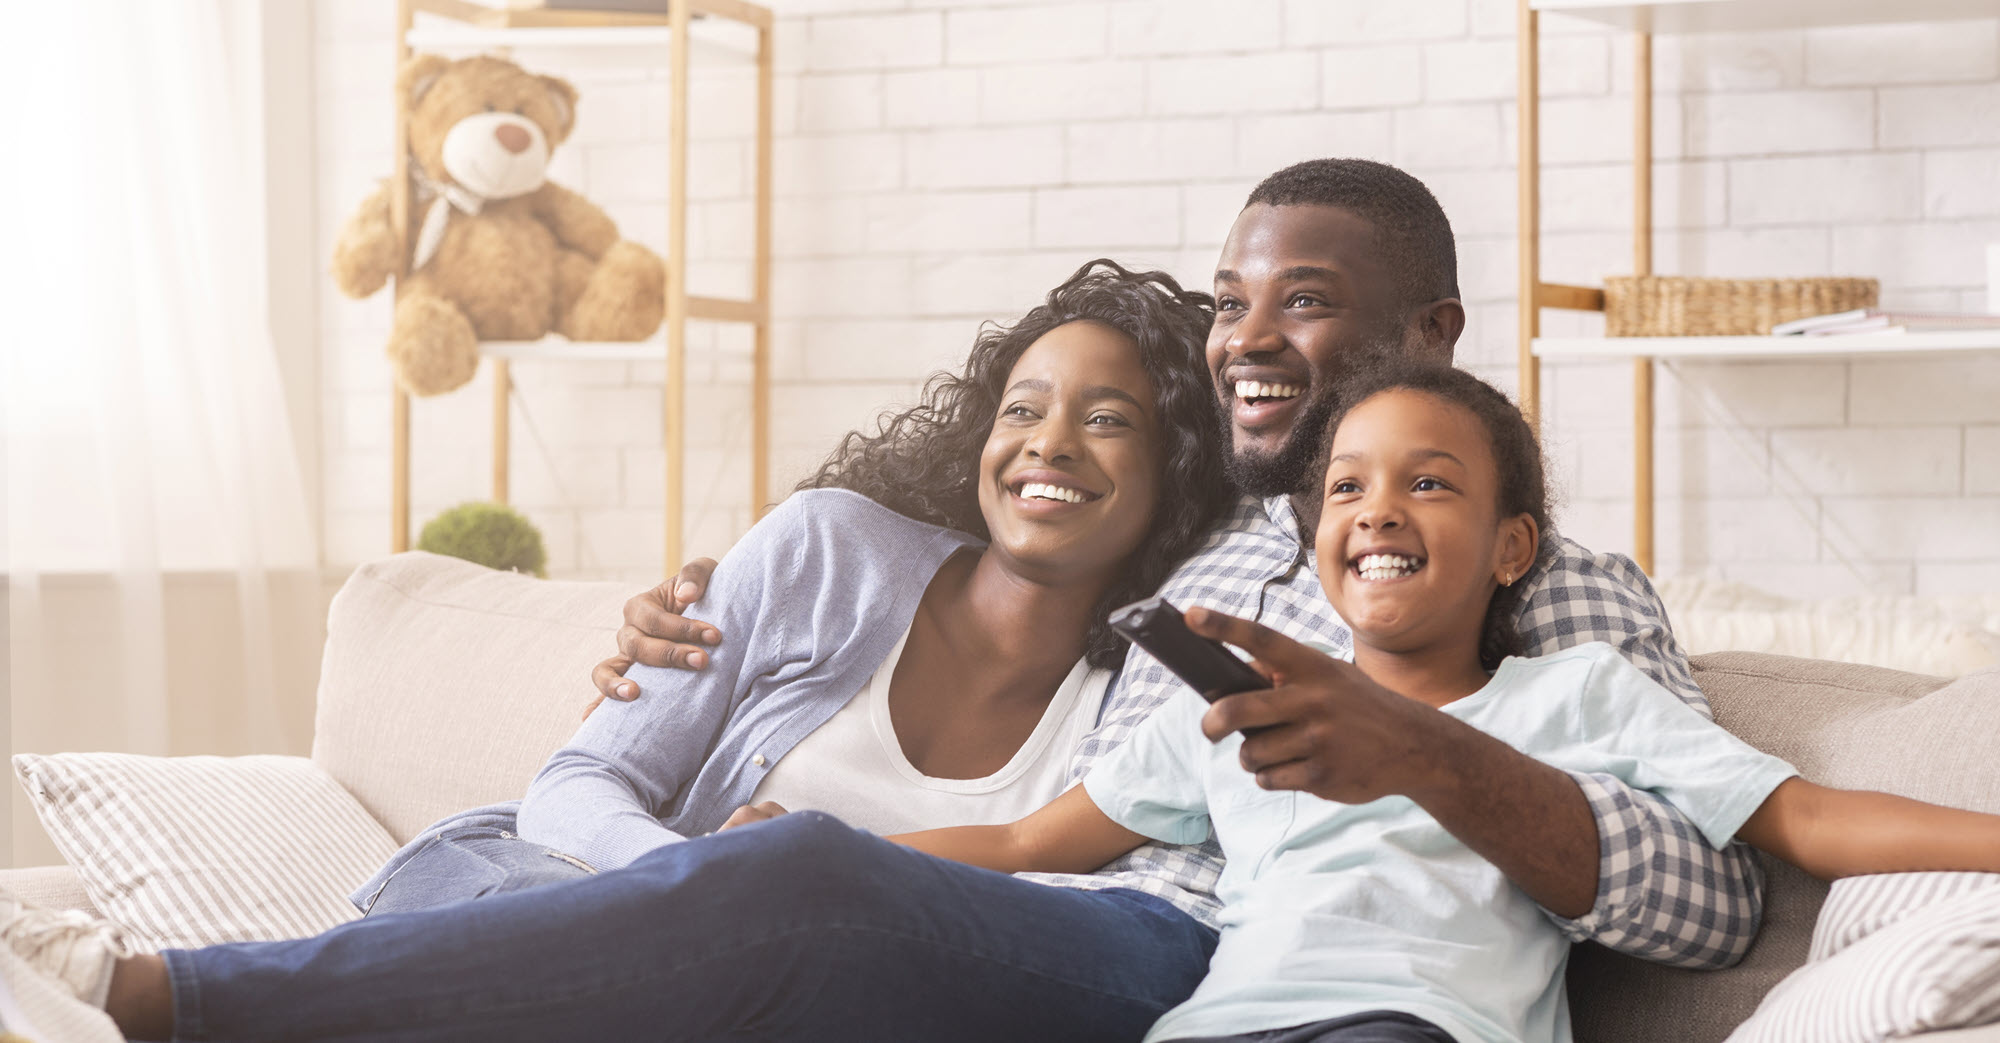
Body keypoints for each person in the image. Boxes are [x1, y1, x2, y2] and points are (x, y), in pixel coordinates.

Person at [2, 261, 1232, 1041]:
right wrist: (690, 886)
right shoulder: (827, 550)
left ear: (1170, 466)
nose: (1047, 443)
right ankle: (164, 995)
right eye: (1022, 407)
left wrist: (778, 897)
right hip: (538, 887)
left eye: (1106, 418)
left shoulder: (1135, 705)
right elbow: (577, 784)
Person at [598, 158, 1765, 964]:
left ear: (1432, 333)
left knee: (765, 925)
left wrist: (1423, 751)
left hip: (1203, 960)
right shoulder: (1184, 539)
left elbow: (1716, 901)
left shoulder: (1547, 581)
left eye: (1301, 302)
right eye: (1228, 303)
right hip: (1030, 922)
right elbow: (1008, 522)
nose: (1246, 339)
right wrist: (714, 608)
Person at [852, 358, 2000, 1043]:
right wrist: (839, 843)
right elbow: (1020, 836)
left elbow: (1803, 817)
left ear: (1511, 547)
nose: (1378, 507)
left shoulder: (1576, 693)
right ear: (1315, 548)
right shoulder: (1244, 703)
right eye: (1346, 486)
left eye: (1429, 483)